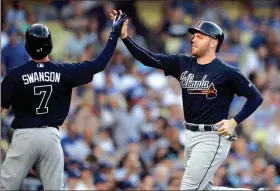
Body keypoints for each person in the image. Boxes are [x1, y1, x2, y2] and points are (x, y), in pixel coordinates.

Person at [110, 10, 265, 191]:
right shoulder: (183, 63)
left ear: (213, 42)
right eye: (193, 36)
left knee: (189, 188)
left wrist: (234, 121)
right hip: (190, 134)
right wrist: (126, 38)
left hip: (212, 137)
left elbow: (256, 97)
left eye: (200, 36)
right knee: (204, 189)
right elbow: (148, 58)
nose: (193, 39)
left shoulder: (227, 72)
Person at [1, 11, 127, 190]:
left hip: (24, 136)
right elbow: (99, 64)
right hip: (51, 137)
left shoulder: (15, 75)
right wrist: (114, 33)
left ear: (27, 47)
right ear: (49, 45)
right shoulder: (63, 72)